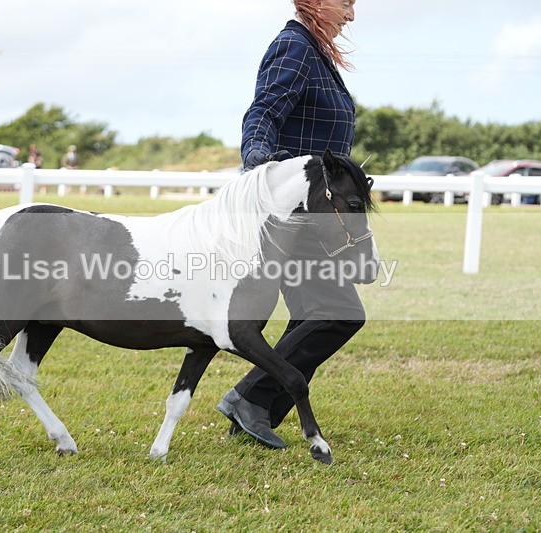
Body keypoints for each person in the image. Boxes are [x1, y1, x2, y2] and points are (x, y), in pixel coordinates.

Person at [216, 0, 364, 449]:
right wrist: (259, 166)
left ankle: (256, 408)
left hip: (312, 210)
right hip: (295, 211)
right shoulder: (295, 47)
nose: (351, 15)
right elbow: (262, 113)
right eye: (345, 4)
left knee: (311, 316)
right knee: (339, 312)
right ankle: (249, 398)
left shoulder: (312, 49)